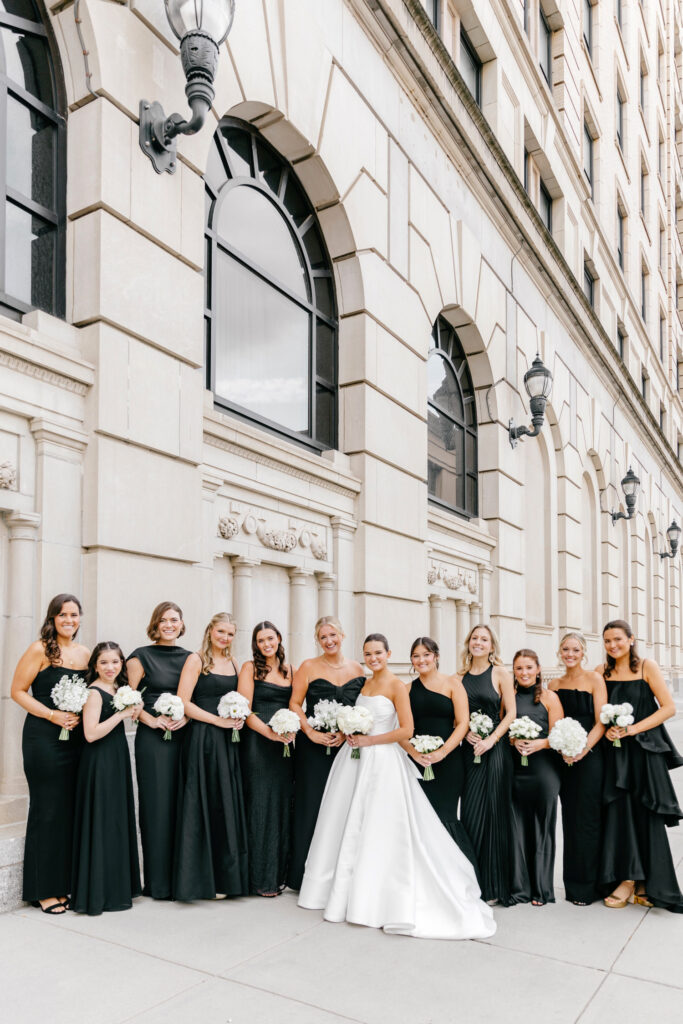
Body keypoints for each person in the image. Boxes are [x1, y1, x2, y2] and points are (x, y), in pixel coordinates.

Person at [298, 633, 496, 939]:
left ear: (389, 654)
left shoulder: (397, 686)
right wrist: (349, 729)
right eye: (368, 653)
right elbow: (386, 726)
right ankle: (347, 891)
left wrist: (372, 740)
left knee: (393, 827)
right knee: (350, 824)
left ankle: (381, 895)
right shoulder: (365, 684)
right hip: (357, 761)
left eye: (378, 652)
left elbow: (407, 728)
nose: (373, 657)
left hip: (386, 761)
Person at [11, 594, 89, 914]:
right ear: (52, 618)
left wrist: (82, 716)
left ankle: (63, 883)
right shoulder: (40, 649)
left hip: (75, 740)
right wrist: (51, 715)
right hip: (43, 738)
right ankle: (42, 889)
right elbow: (16, 691)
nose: (69, 620)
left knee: (68, 810)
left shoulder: (85, 653)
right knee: (47, 809)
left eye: (74, 614)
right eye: (62, 615)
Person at [597, 619, 683, 912]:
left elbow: (668, 708)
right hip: (616, 755)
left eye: (618, 639)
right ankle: (628, 879)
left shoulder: (647, 667)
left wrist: (633, 729)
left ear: (631, 639)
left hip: (645, 753)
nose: (613, 645)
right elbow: (599, 712)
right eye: (607, 641)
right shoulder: (601, 672)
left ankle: (649, 881)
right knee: (621, 815)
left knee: (646, 814)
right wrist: (607, 728)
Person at [174, 613, 248, 900]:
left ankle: (226, 878)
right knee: (203, 801)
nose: (225, 638)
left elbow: (242, 700)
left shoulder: (234, 663)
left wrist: (237, 716)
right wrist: (217, 721)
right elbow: (183, 702)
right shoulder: (196, 660)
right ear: (210, 631)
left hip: (229, 741)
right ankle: (201, 879)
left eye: (230, 634)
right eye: (220, 632)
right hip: (203, 739)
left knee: (224, 803)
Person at [287, 616, 365, 889]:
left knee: (342, 806)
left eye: (333, 635)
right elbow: (295, 703)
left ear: (342, 635)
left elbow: (361, 709)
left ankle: (337, 874)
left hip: (346, 749)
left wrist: (347, 731)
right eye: (323, 637)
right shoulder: (308, 667)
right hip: (312, 749)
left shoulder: (358, 669)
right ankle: (301, 875)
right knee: (310, 805)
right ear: (317, 640)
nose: (329, 641)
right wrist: (310, 732)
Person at [71, 643, 142, 915]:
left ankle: (117, 887)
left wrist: (135, 707)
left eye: (115, 662)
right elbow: (90, 733)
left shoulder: (118, 690)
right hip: (99, 760)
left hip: (116, 757)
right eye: (104, 663)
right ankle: (100, 892)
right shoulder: (94, 693)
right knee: (101, 820)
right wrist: (122, 714)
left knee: (115, 820)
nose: (110, 667)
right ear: (95, 666)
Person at [127, 601, 191, 899]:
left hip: (183, 737)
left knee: (181, 804)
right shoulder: (141, 656)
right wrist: (152, 721)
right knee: (155, 805)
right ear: (155, 623)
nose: (169, 625)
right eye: (163, 620)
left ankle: (181, 877)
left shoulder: (191, 658)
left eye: (174, 620)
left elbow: (196, 697)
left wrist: (186, 717)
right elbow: (126, 697)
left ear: (181, 624)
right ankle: (156, 882)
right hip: (152, 740)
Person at [401, 636, 476, 866]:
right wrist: (414, 753)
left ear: (436, 657)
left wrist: (442, 752)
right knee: (421, 819)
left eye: (426, 654)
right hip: (416, 764)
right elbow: (400, 729)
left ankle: (457, 875)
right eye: (416, 656)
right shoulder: (405, 689)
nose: (421, 660)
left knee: (446, 816)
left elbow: (463, 723)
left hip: (449, 763)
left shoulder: (453, 684)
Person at [458, 624, 517, 905]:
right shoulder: (458, 677)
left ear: (492, 646)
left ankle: (493, 886)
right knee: (470, 813)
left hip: (495, 752)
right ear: (468, 643)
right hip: (468, 752)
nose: (478, 642)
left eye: (484, 639)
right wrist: (465, 730)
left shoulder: (500, 673)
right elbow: (455, 715)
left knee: (493, 814)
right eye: (474, 638)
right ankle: (472, 881)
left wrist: (491, 740)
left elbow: (511, 714)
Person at [548, 632, 606, 905]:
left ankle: (591, 886)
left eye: (575, 649)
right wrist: (562, 749)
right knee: (570, 819)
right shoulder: (554, 683)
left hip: (590, 757)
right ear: (559, 652)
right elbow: (553, 722)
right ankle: (573, 886)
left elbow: (601, 721)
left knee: (589, 819)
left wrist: (583, 750)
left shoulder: (595, 679)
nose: (570, 654)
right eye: (565, 649)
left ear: (583, 652)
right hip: (563, 759)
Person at [238, 621, 294, 896]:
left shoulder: (289, 670)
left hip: (284, 749)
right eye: (261, 641)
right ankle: (258, 878)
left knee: (281, 806)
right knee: (259, 805)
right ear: (256, 644)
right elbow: (245, 711)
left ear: (279, 638)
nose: (266, 644)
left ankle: (277, 874)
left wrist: (289, 730)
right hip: (258, 745)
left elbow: (294, 706)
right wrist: (270, 734)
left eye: (270, 638)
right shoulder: (250, 668)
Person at [509, 649, 563, 906]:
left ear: (538, 669)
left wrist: (539, 744)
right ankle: (520, 888)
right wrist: (514, 740)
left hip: (543, 771)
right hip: (516, 771)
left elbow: (559, 736)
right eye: (519, 668)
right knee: (517, 829)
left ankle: (541, 890)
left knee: (542, 828)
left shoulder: (550, 697)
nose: (524, 673)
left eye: (529, 667)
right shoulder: (508, 697)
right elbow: (503, 729)